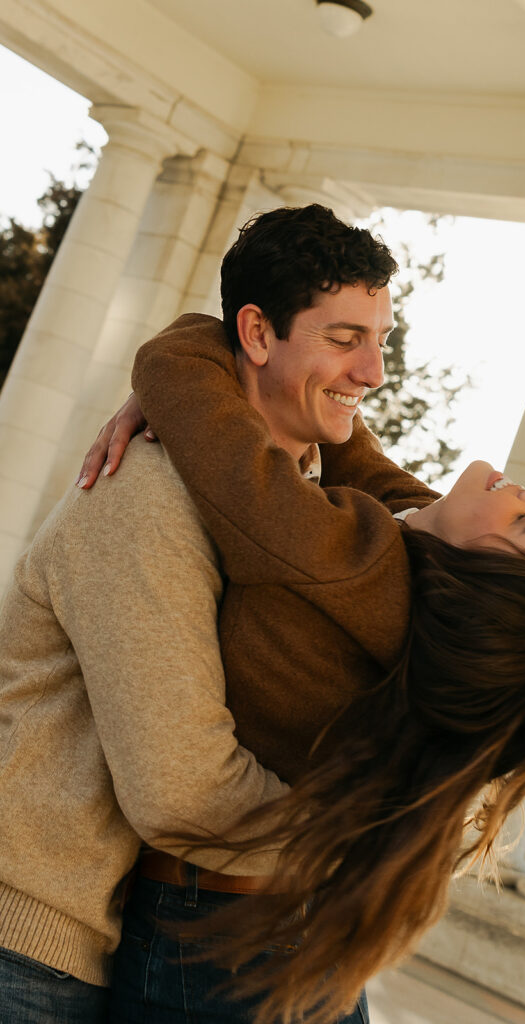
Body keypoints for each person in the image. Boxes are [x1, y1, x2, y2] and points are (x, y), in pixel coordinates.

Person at [85, 303, 525, 1024]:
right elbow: (370, 468)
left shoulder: (342, 560)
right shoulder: (414, 577)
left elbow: (210, 425)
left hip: (221, 942)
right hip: (291, 934)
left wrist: (216, 348)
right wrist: (296, 380)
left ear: (475, 585)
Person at [0, 204, 433, 1024]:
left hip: (132, 934)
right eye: (344, 339)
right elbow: (180, 791)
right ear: (257, 334)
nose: (374, 372)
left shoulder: (302, 498)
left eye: (381, 339)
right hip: (32, 940)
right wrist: (373, 832)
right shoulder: (148, 492)